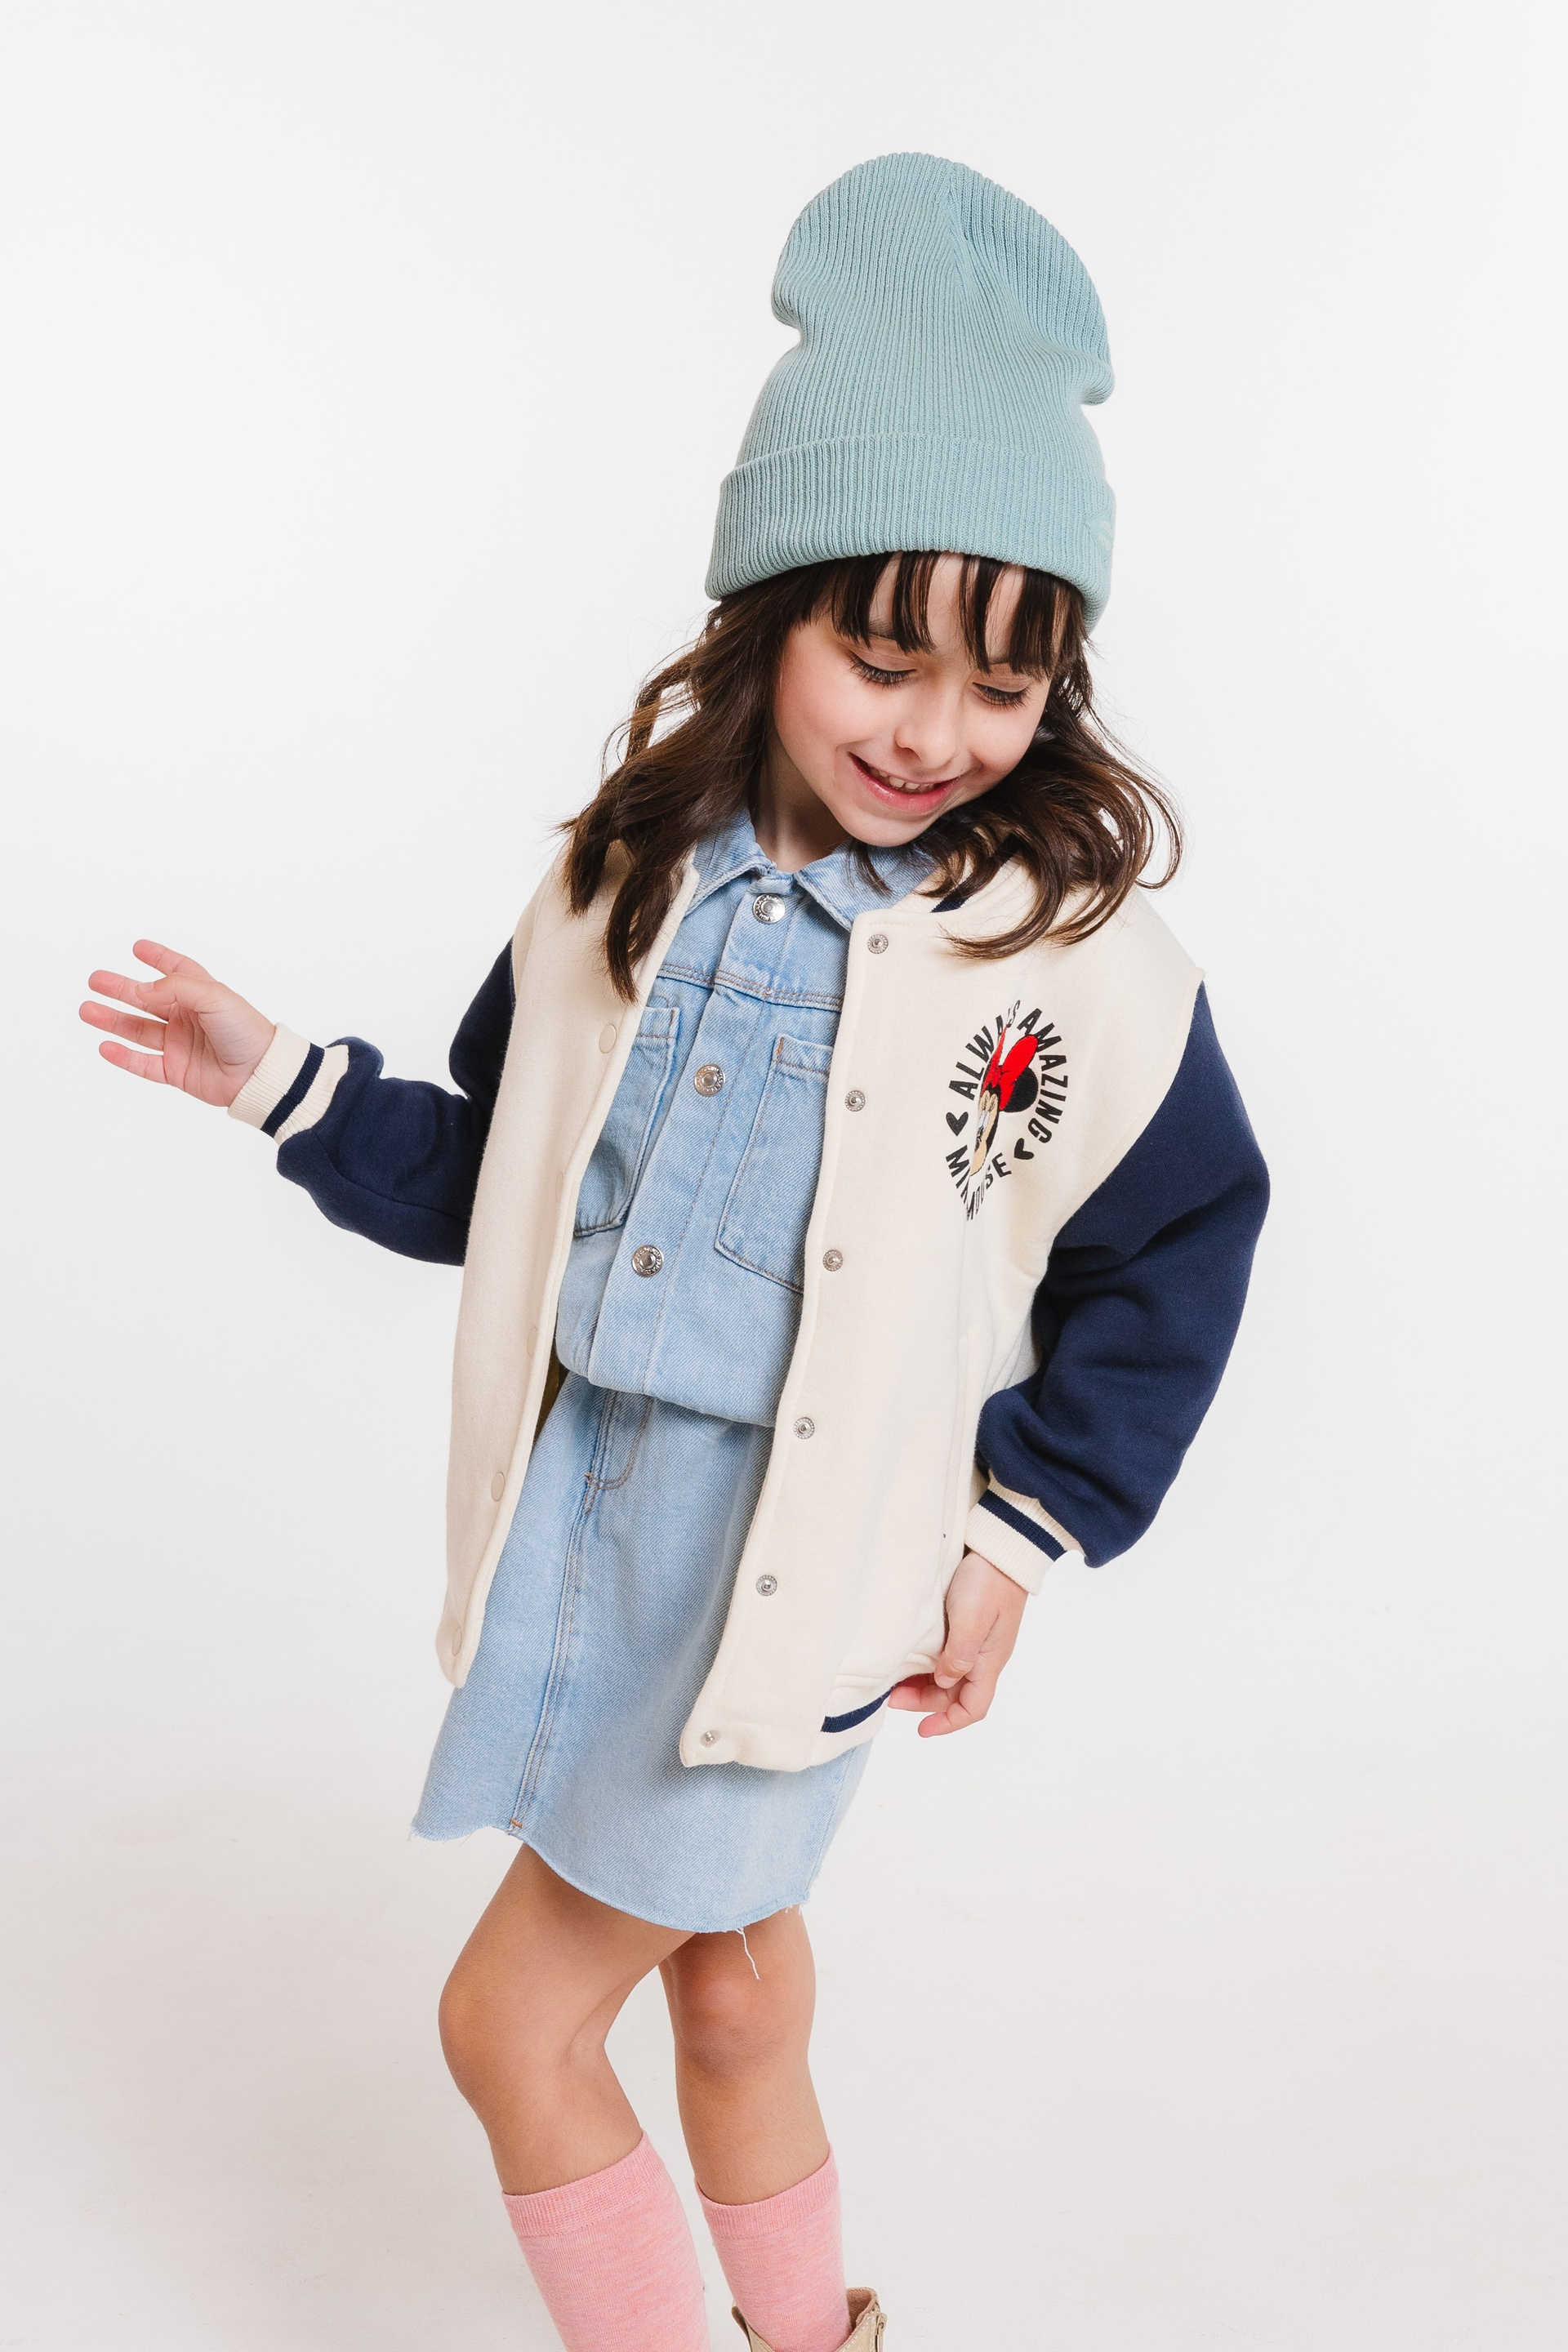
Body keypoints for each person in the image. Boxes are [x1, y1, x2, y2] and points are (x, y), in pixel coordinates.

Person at [80, 153, 1268, 2352]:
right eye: (881, 657)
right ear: (770, 613)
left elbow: (1179, 1236)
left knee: (508, 2027)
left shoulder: (1062, 962)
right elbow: (509, 1185)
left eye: (1003, 689)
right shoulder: (621, 879)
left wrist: (1022, 1530)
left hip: (788, 1563)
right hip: (594, 1527)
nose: (932, 735)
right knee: (729, 1988)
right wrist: (286, 1088)